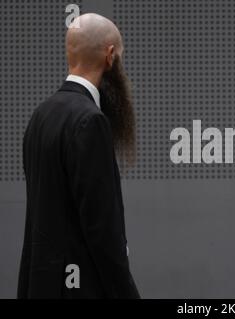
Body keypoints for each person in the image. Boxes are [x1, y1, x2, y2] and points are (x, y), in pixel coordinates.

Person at [18, 13, 140, 298]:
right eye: (120, 56)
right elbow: (103, 233)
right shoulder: (90, 122)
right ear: (110, 56)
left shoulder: (41, 115)